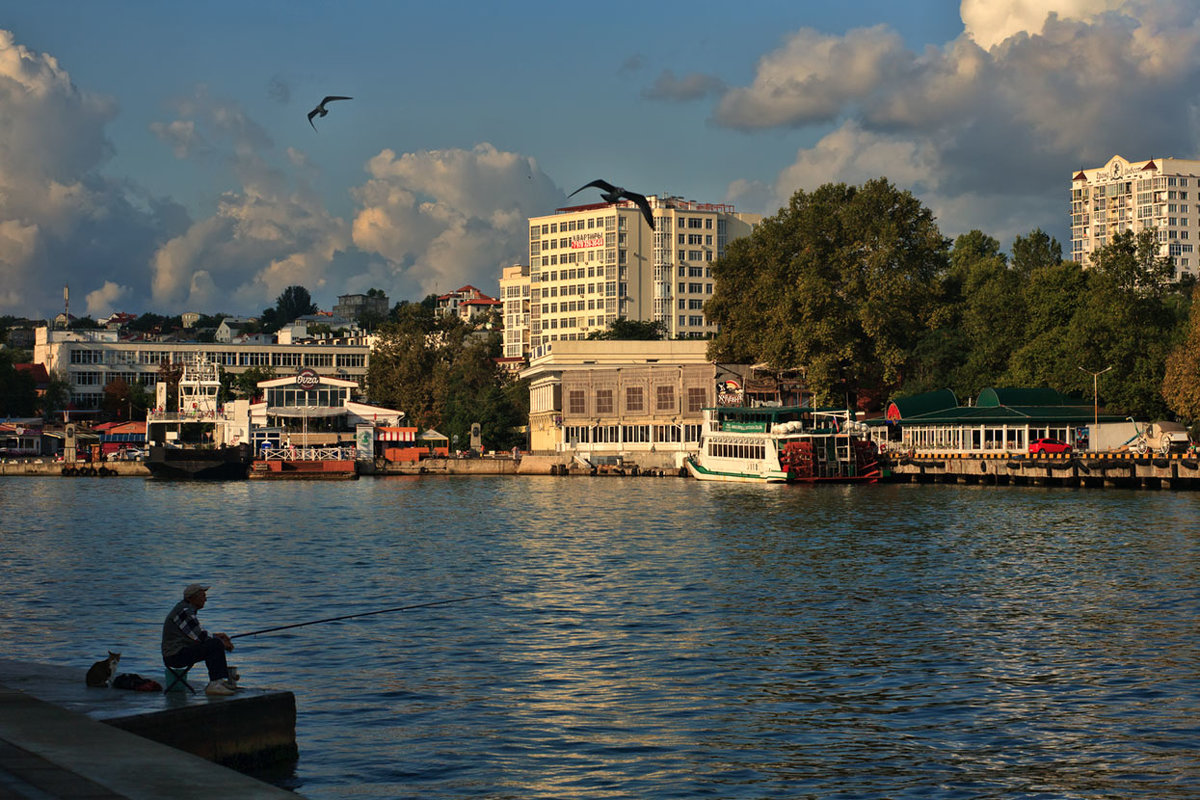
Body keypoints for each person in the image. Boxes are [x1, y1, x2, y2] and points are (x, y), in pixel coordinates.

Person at [161, 583, 238, 696]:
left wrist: (218, 637)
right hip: (175, 656)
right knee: (215, 645)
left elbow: (195, 635)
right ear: (191, 598)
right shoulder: (184, 611)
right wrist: (221, 642)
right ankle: (215, 684)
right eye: (202, 596)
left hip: (177, 653)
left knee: (215, 643)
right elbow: (201, 637)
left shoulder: (184, 608)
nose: (205, 599)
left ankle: (218, 682)